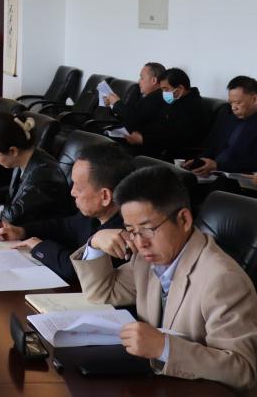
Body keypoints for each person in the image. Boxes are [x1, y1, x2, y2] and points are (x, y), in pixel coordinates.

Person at [72, 166, 257, 390]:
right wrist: (95, 243)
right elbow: (103, 292)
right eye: (131, 230)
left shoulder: (223, 280)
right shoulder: (146, 260)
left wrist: (165, 348)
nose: (140, 243)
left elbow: (244, 371)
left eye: (148, 229)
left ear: (184, 220)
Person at [0, 143, 132, 283]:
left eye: (79, 188)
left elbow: (76, 270)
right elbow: (63, 226)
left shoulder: (122, 234)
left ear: (105, 196)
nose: (72, 192)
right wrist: (21, 231)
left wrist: (38, 246)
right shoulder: (94, 215)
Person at [0, 113, 75, 225]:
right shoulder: (26, 157)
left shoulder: (44, 173)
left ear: (13, 151)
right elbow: (20, 193)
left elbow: (14, 215)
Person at [122, 68, 207, 161]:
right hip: (159, 146)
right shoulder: (177, 100)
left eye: (166, 89)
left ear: (180, 89)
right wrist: (142, 133)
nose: (163, 93)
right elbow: (161, 125)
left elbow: (175, 137)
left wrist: (143, 139)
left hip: (176, 155)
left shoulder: (192, 107)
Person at [186, 75, 257, 177]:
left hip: (238, 178)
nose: (233, 108)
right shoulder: (229, 117)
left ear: (254, 98)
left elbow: (253, 163)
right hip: (214, 172)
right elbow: (214, 146)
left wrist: (218, 166)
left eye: (238, 103)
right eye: (231, 103)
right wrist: (199, 161)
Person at [105, 62, 167, 132]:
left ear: (154, 80)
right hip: (122, 131)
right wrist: (112, 105)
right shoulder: (139, 93)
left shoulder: (158, 98)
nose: (138, 81)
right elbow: (128, 116)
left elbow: (135, 120)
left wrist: (116, 103)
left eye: (142, 78)